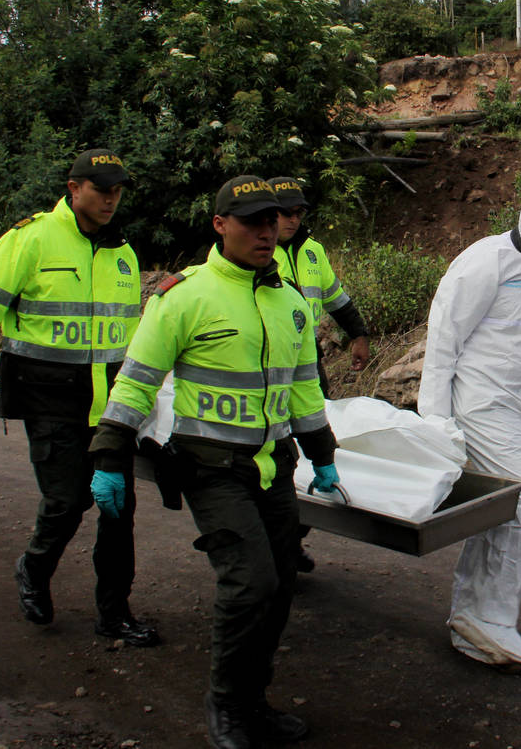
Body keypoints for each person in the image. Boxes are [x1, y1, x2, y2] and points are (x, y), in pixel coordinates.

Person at [88, 175, 341, 749]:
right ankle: (226, 705)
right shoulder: (184, 295)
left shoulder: (292, 304)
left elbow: (304, 391)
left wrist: (322, 456)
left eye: (272, 220)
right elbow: (137, 382)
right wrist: (109, 454)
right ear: (219, 226)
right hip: (212, 470)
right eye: (251, 221)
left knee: (277, 589)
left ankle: (255, 700)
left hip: (274, 469)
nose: (266, 231)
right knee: (249, 583)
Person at [0, 148, 159, 647]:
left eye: (117, 191)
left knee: (117, 509)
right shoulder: (31, 239)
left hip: (108, 408)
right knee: (67, 501)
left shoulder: (122, 253)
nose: (111, 200)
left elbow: (131, 335)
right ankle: (34, 568)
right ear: (74, 189)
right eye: (101, 190)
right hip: (49, 399)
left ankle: (115, 614)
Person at [417, 175, 521, 668]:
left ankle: (471, 616)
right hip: (484, 404)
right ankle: (489, 621)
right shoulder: (485, 260)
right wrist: (435, 422)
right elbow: (443, 341)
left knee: (500, 512)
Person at [270, 175, 370, 573]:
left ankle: (291, 540)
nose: (292, 220)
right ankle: (276, 545)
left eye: (298, 213)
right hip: (271, 369)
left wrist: (359, 335)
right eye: (284, 213)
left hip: (309, 366)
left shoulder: (312, 252)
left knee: (315, 452)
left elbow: (336, 300)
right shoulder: (256, 251)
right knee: (280, 459)